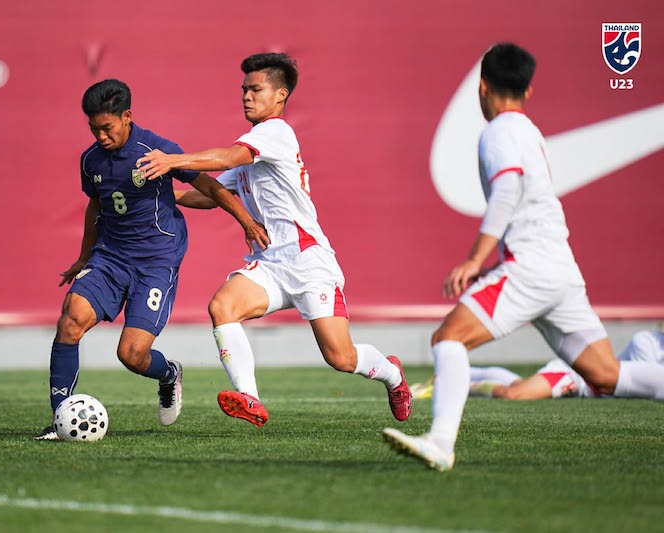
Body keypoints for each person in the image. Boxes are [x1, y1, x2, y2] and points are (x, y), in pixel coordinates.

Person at [382, 43, 664, 470]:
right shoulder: (529, 131)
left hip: (531, 269)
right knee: (605, 374)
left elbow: (509, 189)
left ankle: (440, 442)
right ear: (528, 90)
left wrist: (476, 260)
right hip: (559, 271)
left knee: (448, 338)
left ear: (482, 87)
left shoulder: (498, 132)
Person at [136, 52, 413, 427]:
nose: (246, 96)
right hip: (270, 262)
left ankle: (392, 374)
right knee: (223, 306)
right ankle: (250, 397)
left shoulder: (275, 133)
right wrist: (149, 191)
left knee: (341, 358)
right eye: (243, 89)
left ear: (280, 96)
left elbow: (228, 157)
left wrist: (173, 160)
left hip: (307, 260)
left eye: (255, 88)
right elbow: (210, 195)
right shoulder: (255, 146)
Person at [35, 79, 267, 440]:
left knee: (131, 354)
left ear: (127, 117)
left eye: (107, 127)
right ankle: (60, 419)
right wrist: (84, 257)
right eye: (94, 128)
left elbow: (209, 186)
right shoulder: (90, 160)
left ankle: (169, 374)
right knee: (70, 321)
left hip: (156, 261)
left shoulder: (157, 150)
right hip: (110, 257)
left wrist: (246, 221)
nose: (101, 136)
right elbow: (95, 205)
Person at [410, 330, 664, 400]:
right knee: (515, 394)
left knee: (516, 385)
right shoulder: (647, 342)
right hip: (575, 377)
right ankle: (452, 383)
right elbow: (638, 391)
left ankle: (459, 373)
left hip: (584, 386)